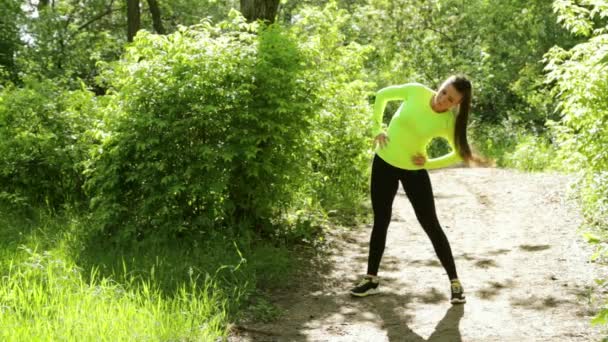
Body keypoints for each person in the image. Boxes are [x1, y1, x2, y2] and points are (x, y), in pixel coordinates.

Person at [350, 75, 482, 304]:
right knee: (381, 220)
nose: (442, 100)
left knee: (431, 224)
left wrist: (428, 163)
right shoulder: (416, 91)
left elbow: (459, 153)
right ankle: (370, 279)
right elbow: (382, 96)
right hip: (384, 163)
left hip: (413, 171)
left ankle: (455, 283)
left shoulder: (447, 122)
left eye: (450, 100)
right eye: (443, 92)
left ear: (456, 104)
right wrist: (376, 128)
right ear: (440, 86)